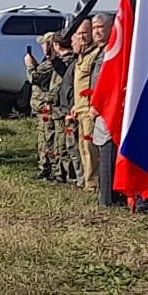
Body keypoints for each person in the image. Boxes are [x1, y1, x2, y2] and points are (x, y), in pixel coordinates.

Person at [89, 13, 121, 206]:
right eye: (94, 28)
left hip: (109, 110)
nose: (96, 32)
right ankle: (105, 195)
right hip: (98, 109)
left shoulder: (113, 50)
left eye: (100, 27)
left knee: (109, 154)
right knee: (102, 152)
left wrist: (99, 105)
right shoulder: (100, 51)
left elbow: (111, 82)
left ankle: (109, 199)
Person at [66, 18, 97, 190]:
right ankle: (87, 180)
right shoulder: (81, 57)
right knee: (82, 147)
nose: (81, 37)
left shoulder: (94, 55)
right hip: (81, 107)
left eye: (85, 33)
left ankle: (92, 183)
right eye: (79, 34)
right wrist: (75, 105)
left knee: (90, 146)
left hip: (90, 108)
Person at [27, 32, 59, 179]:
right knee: (43, 138)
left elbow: (35, 78)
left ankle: (50, 168)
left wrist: (29, 66)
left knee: (48, 138)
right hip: (41, 107)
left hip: (47, 106)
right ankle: (44, 166)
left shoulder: (52, 63)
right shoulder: (47, 62)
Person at [51, 34, 78, 184]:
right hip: (63, 107)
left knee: (68, 146)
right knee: (62, 145)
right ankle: (65, 174)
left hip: (67, 109)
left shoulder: (70, 62)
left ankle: (72, 176)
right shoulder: (71, 61)